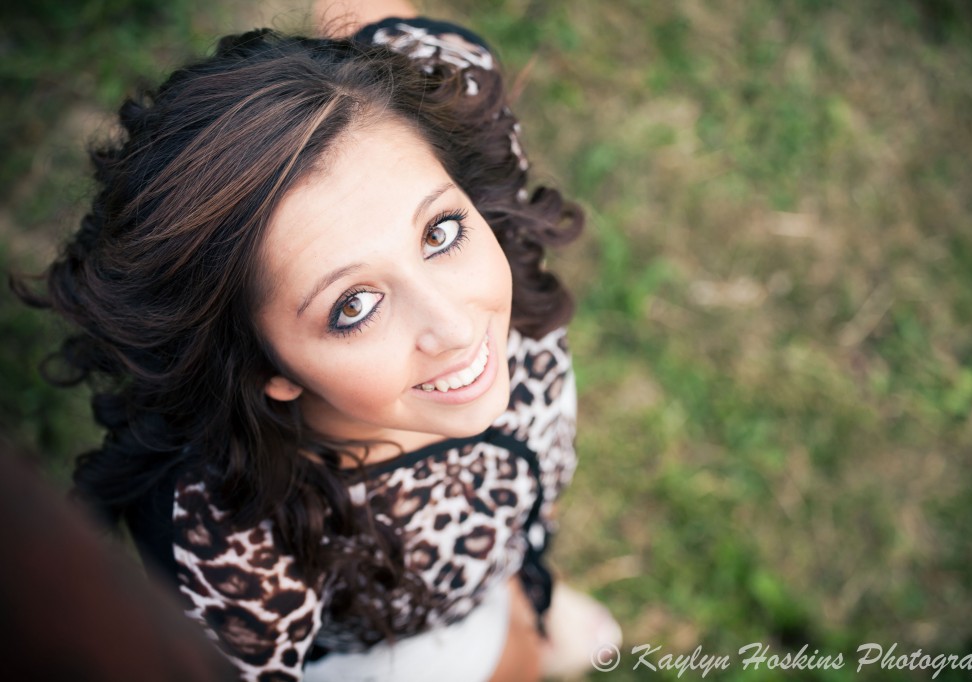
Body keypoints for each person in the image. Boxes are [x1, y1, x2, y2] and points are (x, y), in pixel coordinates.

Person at [14, 0, 620, 679]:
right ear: (265, 366)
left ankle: (523, 584)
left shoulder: (463, 135)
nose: (456, 327)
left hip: (513, 539)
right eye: (354, 306)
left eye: (439, 232)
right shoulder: (246, 549)